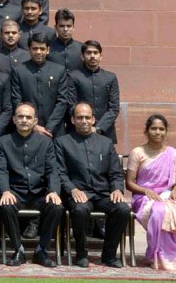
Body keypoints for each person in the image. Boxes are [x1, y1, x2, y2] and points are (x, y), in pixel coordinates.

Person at [56, 102, 129, 268]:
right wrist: (72, 189)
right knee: (80, 209)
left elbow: (116, 173)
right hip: (78, 193)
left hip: (103, 193)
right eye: (79, 117)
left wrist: (117, 188)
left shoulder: (106, 143)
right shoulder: (62, 142)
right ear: (73, 120)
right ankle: (81, 254)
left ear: (93, 119)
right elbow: (60, 172)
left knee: (122, 209)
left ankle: (109, 255)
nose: (84, 121)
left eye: (87, 117)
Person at [0, 103, 64, 268]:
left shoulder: (46, 143)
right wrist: (5, 191)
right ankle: (19, 250)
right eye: (20, 116)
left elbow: (53, 170)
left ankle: (42, 250)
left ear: (35, 121)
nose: (24, 120)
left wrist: (54, 191)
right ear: (14, 119)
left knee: (57, 207)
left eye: (28, 117)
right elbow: (1, 170)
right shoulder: (3, 142)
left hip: (40, 193)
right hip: (15, 192)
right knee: (5, 205)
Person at [126, 114, 176, 271]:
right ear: (147, 131)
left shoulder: (173, 154)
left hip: (167, 194)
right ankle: (159, 256)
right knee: (159, 212)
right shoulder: (138, 152)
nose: (158, 132)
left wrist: (175, 191)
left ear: (166, 131)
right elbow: (129, 183)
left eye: (161, 129)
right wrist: (146, 191)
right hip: (144, 196)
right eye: (154, 128)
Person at [10, 33, 69, 137]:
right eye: (35, 48)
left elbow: (62, 101)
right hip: (28, 129)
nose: (38, 52)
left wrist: (49, 127)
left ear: (48, 50)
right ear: (29, 49)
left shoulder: (59, 70)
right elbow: (16, 100)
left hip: (55, 130)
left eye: (42, 49)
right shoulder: (18, 71)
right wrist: (34, 125)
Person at [68, 40, 120, 143]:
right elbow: (71, 105)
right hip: (79, 131)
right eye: (88, 53)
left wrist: (99, 128)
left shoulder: (111, 77)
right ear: (82, 56)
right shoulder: (73, 76)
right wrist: (85, 125)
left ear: (101, 57)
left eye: (95, 53)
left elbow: (114, 108)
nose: (92, 56)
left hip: (106, 132)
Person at [47, 8, 83, 72]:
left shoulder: (81, 48)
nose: (65, 29)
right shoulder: (48, 48)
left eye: (69, 26)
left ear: (73, 28)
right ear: (56, 27)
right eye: (61, 26)